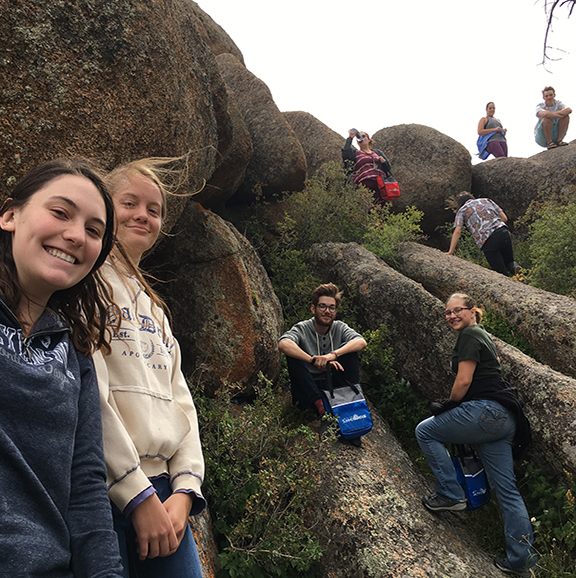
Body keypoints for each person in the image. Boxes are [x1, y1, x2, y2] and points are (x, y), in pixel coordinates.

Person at [0, 159, 123, 577]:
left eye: (93, 230)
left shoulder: (75, 352)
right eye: (60, 212)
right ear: (10, 215)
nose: (75, 235)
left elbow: (86, 485)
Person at [94, 159, 206, 578]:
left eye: (154, 209)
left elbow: (182, 403)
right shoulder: (85, 284)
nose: (143, 215)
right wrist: (135, 494)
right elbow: (93, 397)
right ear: (106, 208)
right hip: (109, 491)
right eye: (130, 203)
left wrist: (186, 490)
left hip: (165, 492)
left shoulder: (156, 308)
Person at [415, 293, 536, 578]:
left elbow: (465, 379)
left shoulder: (470, 333)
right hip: (504, 419)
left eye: (458, 310)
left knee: (426, 430)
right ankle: (521, 562)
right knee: (507, 491)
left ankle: (450, 493)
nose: (452, 316)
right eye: (447, 312)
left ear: (472, 312)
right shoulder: (480, 333)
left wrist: (449, 405)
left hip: (486, 411)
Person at [278, 283, 367, 444]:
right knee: (293, 355)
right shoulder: (303, 328)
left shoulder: (339, 327)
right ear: (313, 309)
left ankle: (351, 404)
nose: (327, 311)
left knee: (350, 350)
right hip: (308, 391)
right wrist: (312, 359)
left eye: (332, 307)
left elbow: (361, 342)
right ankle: (323, 410)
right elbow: (283, 344)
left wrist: (331, 356)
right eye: (323, 306)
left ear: (335, 311)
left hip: (332, 388)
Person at [448, 192, 520, 277]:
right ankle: (519, 273)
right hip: (503, 232)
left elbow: (457, 230)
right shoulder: (486, 200)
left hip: (488, 240)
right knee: (509, 262)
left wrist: (450, 251)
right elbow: (504, 218)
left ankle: (510, 286)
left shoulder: (462, 210)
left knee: (501, 273)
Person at [342, 129, 392, 205]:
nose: (361, 138)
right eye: (359, 137)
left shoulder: (377, 152)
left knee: (380, 208)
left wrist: (383, 161)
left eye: (363, 136)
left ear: (369, 140)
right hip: (364, 183)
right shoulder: (355, 153)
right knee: (366, 207)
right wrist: (350, 137)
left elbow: (388, 168)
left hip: (380, 184)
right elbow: (346, 155)